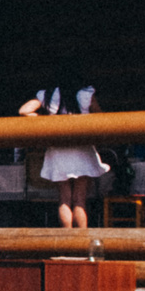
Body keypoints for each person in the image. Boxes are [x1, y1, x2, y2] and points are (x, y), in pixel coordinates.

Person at [19, 83, 103, 230]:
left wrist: (41, 119)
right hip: (81, 147)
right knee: (79, 200)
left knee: (64, 199)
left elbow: (23, 110)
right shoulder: (86, 94)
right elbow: (100, 117)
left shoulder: (47, 95)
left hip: (58, 148)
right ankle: (82, 237)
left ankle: (67, 237)